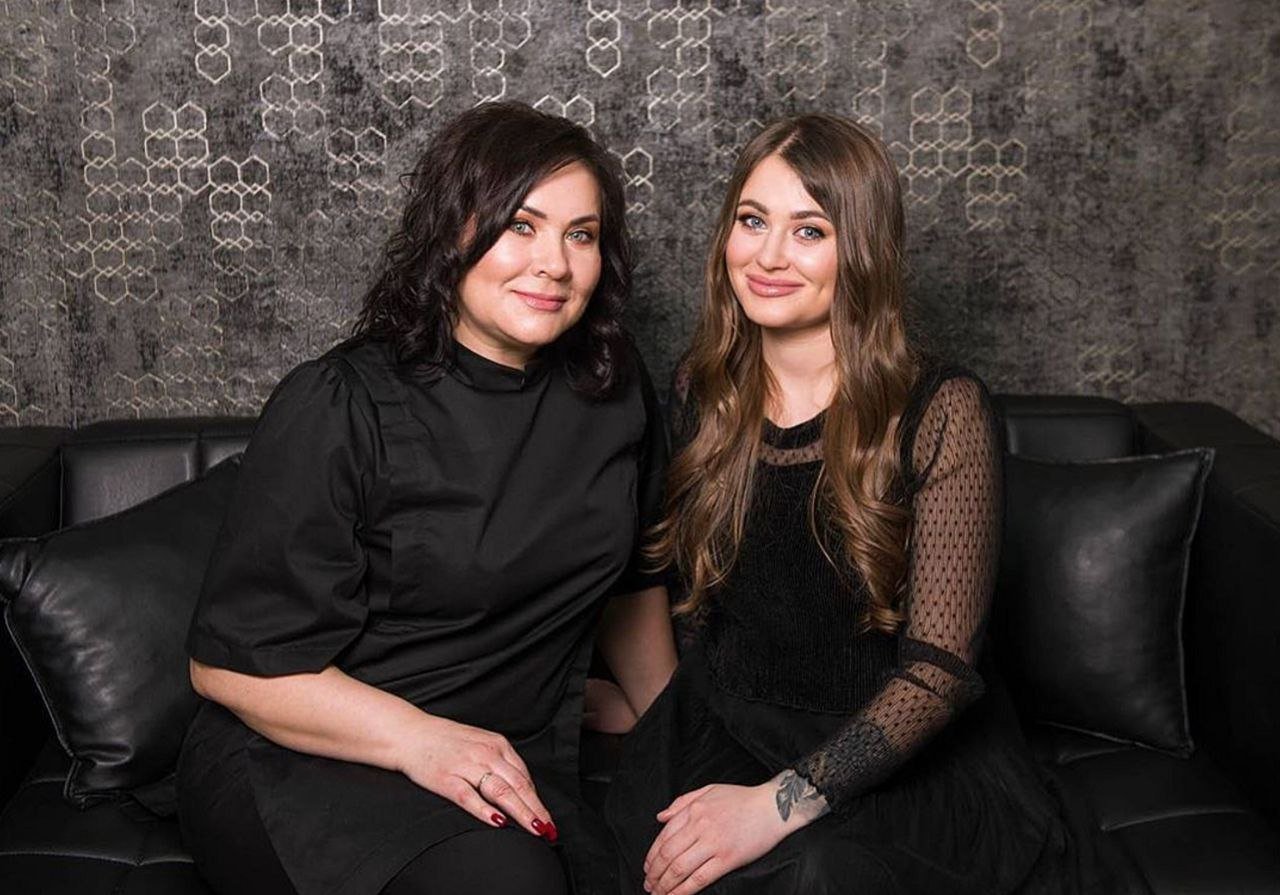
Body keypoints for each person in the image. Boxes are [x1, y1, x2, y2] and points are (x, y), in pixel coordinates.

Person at [177, 102, 677, 895]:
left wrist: (670, 732)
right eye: (521, 225)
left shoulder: (615, 392)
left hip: (497, 750)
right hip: (307, 754)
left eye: (580, 235)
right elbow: (227, 666)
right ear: (453, 231)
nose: (554, 263)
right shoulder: (339, 403)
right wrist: (419, 738)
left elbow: (633, 584)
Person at [604, 114, 1108, 894]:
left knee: (817, 873)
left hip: (891, 750)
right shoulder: (702, 389)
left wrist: (778, 803)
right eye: (752, 220)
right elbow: (703, 609)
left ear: (862, 250)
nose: (768, 255)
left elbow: (939, 672)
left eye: (809, 230)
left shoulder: (942, 409)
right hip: (727, 725)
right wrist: (652, 704)